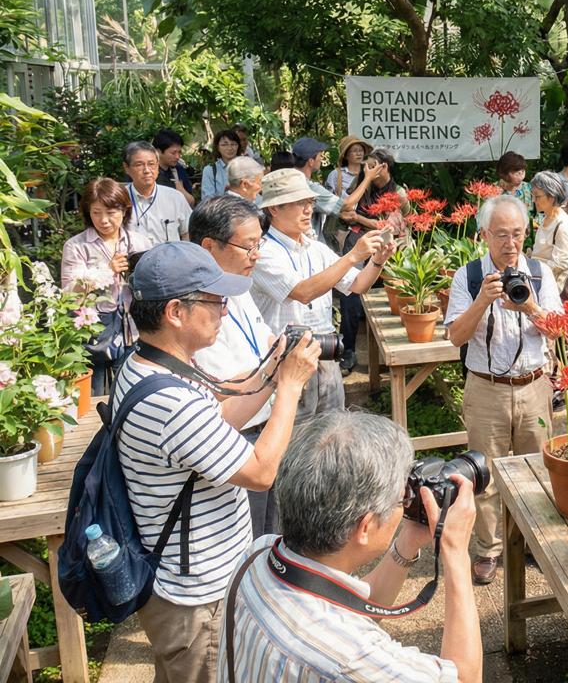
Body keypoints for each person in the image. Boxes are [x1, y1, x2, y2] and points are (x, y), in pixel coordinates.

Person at [114, 241, 320, 683]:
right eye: (214, 300)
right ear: (175, 312)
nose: (225, 310)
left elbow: (223, 412)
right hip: (196, 601)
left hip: (187, 582)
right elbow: (261, 473)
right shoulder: (171, 402)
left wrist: (269, 370)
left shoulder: (151, 365)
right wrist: (289, 386)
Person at [217, 412, 481, 683]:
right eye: (400, 498)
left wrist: (408, 540)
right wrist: (456, 553)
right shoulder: (351, 659)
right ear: (364, 527)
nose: (404, 504)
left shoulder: (259, 555)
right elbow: (466, 679)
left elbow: (352, 605)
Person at [445, 195, 562, 586]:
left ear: (526, 233)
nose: (510, 244)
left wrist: (529, 307)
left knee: (539, 471)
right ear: (484, 235)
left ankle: (534, 543)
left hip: (534, 386)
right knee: (485, 474)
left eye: (516, 234)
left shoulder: (541, 275)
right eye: (500, 235)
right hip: (485, 387)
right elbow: (454, 337)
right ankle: (488, 549)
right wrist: (482, 301)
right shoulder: (469, 276)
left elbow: (561, 332)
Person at [251, 168, 393, 422]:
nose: (308, 210)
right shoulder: (263, 252)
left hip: (325, 357)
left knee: (330, 435)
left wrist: (377, 261)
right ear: (274, 208)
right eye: (299, 203)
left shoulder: (316, 248)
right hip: (285, 362)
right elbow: (302, 292)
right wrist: (353, 256)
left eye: (309, 202)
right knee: (291, 441)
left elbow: (358, 285)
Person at [191, 195, 286, 537]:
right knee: (243, 549)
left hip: (264, 431)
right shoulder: (194, 305)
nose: (256, 255)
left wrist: (278, 355)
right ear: (209, 246)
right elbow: (221, 389)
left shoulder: (238, 286)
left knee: (268, 539)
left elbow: (266, 342)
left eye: (259, 244)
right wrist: (281, 370)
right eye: (248, 247)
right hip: (233, 441)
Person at [60, 178, 153, 393]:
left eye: (111, 212)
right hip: (94, 332)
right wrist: (106, 271)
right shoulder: (76, 246)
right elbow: (68, 292)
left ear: (124, 210)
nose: (104, 220)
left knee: (132, 388)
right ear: (87, 212)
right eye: (96, 212)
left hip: (135, 328)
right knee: (94, 390)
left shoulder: (140, 242)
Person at [336, 150, 407, 374]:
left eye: (371, 166)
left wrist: (359, 218)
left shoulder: (399, 192)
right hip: (360, 245)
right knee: (349, 295)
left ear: (384, 167)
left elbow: (389, 227)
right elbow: (345, 208)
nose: (366, 168)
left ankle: (391, 352)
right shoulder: (361, 183)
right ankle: (348, 349)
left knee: (390, 297)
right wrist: (366, 179)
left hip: (389, 248)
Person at [291, 136, 372, 244]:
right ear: (311, 161)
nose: (321, 159)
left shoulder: (289, 180)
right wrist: (368, 178)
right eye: (320, 155)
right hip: (307, 243)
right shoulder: (310, 187)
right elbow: (345, 205)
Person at [123, 140, 192, 245]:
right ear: (126, 168)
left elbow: (188, 232)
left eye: (151, 164)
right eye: (139, 165)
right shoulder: (119, 198)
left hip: (170, 259)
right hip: (133, 260)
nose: (146, 170)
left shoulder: (175, 198)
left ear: (158, 166)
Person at [530, 171, 568, 294]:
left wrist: (532, 270)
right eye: (533, 196)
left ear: (552, 197)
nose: (534, 200)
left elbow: (559, 265)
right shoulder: (546, 218)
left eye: (537, 196)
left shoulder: (562, 224)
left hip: (550, 289)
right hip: (536, 282)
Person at [153, 128, 196, 208]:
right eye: (173, 153)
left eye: (179, 152)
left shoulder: (179, 170)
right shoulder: (149, 173)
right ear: (158, 151)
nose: (177, 157)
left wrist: (180, 190)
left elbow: (191, 202)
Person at [201, 129, 244, 202]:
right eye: (224, 145)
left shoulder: (247, 167)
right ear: (218, 147)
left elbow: (255, 195)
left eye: (233, 144)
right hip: (220, 212)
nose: (230, 148)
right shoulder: (210, 170)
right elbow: (207, 200)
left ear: (238, 146)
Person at [325, 135, 372, 201]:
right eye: (354, 151)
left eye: (361, 150)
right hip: (342, 210)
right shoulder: (336, 174)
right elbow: (328, 200)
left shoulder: (369, 172)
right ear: (345, 155)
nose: (359, 154)